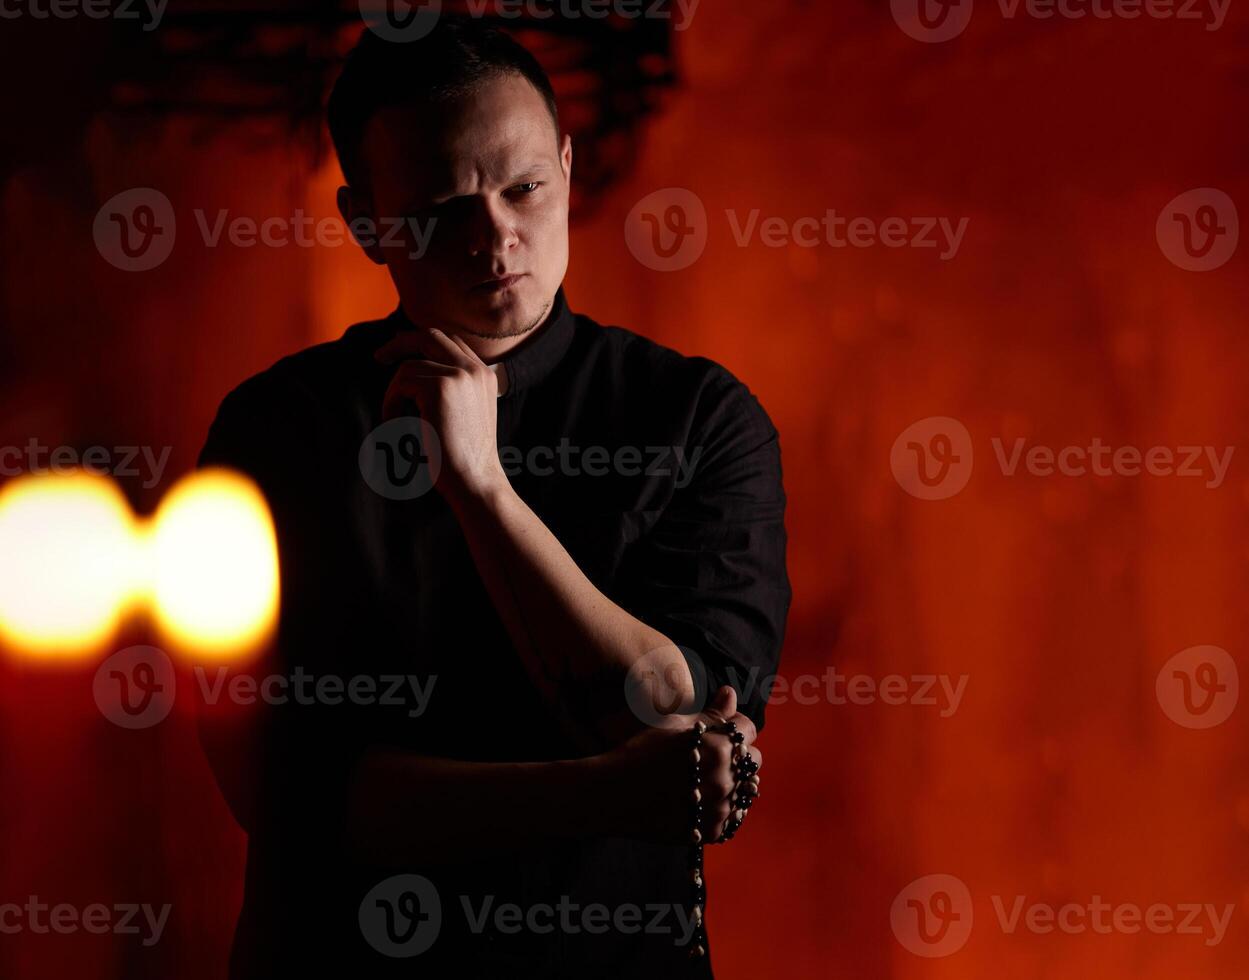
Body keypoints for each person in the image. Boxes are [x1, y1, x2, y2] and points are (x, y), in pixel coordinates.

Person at [196, 18, 790, 979]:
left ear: (565, 162)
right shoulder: (279, 429)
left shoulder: (696, 419)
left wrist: (480, 485)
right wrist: (600, 795)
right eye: (440, 208)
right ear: (367, 221)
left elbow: (668, 718)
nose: (494, 238)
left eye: (524, 189)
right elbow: (291, 795)